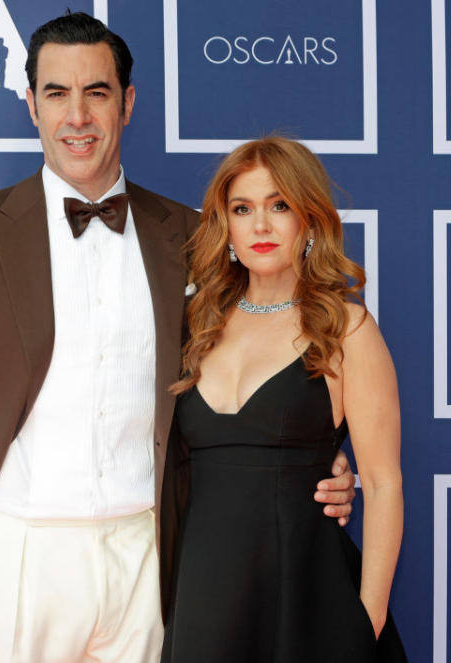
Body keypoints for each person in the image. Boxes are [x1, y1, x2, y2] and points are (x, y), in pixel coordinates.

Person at [0, 13, 357, 663]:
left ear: (127, 103)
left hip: (151, 561)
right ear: (31, 105)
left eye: (96, 92)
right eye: (56, 93)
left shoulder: (193, 237)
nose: (77, 115)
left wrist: (314, 457)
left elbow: (260, 355)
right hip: (14, 561)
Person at [161, 136, 407, 662]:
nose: (261, 225)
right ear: (225, 225)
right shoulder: (195, 326)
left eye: (280, 206)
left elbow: (384, 483)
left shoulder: (347, 329)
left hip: (311, 603)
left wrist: (368, 617)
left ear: (309, 220)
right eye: (242, 209)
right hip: (204, 599)